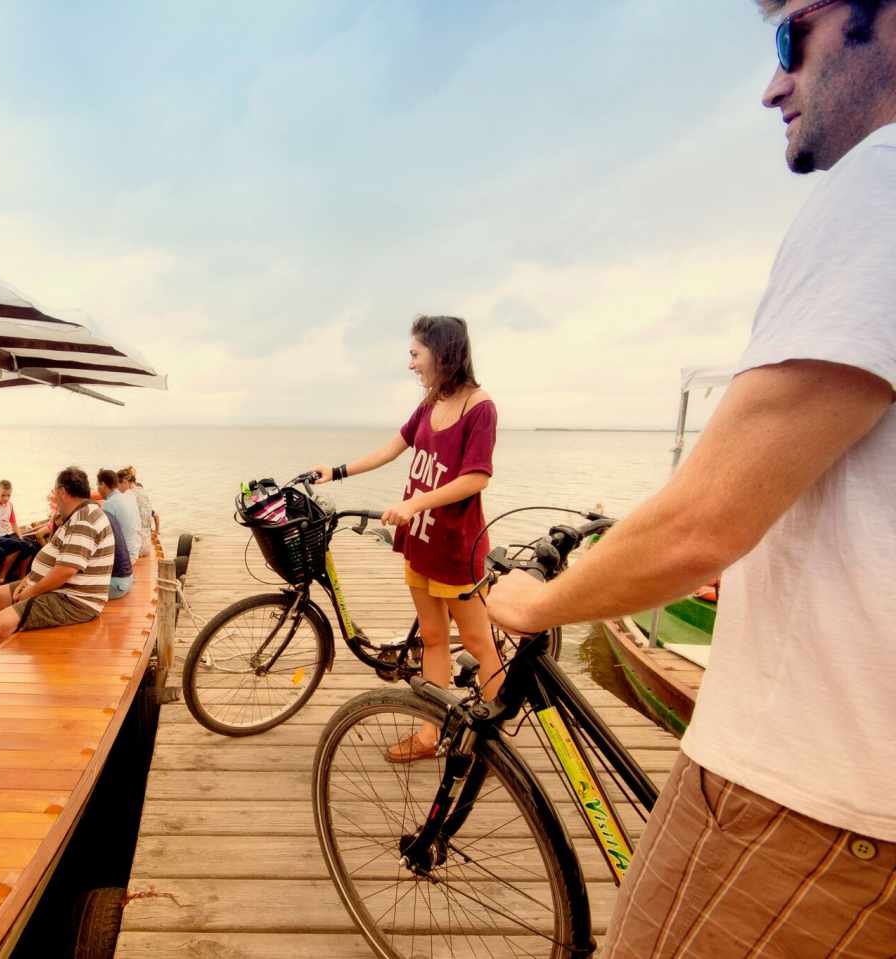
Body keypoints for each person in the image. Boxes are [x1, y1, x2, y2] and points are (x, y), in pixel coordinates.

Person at [486, 6, 896, 954]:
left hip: (811, 799)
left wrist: (536, 602)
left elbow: (700, 521)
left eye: (792, 35)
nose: (772, 84)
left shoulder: (879, 186)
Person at [313, 315, 502, 762]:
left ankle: (495, 739)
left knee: (478, 644)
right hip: (421, 541)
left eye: (416, 354)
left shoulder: (480, 406)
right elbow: (392, 448)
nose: (411, 364)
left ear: (442, 352)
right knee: (433, 640)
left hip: (458, 547)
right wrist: (337, 472)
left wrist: (417, 503)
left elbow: (477, 477)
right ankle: (429, 735)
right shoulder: (431, 403)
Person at [0, 467, 115, 640]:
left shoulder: (83, 521)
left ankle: (5, 660)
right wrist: (28, 579)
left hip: (75, 600)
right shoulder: (77, 515)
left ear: (63, 492)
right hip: (64, 590)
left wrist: (30, 591)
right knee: (1, 594)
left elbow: (66, 571)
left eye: (54, 492)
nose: (54, 497)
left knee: (3, 622)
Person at [0, 479, 39, 580]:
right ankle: (1, 576)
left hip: (9, 534)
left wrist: (20, 537)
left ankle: (22, 576)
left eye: (8, 495)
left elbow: (14, 523)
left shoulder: (10, 505)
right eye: (3, 495)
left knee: (32, 546)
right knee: (19, 546)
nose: (6, 498)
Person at [97, 468, 142, 564]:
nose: (98, 489)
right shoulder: (128, 497)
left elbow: (103, 535)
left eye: (98, 485)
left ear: (103, 485)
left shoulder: (109, 504)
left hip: (124, 557)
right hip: (135, 550)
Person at [118, 467, 158, 556]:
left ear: (125, 481)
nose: (118, 488)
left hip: (134, 549)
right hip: (146, 547)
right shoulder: (143, 492)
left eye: (118, 485)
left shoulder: (128, 495)